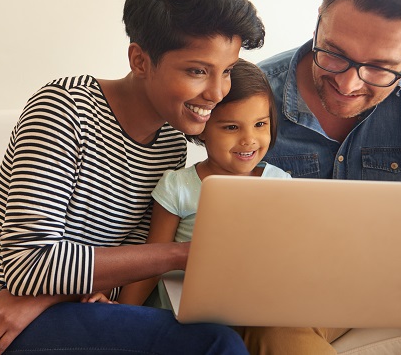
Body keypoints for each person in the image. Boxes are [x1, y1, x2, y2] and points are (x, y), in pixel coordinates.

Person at [0, 0, 266, 355]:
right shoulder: (64, 109)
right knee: (216, 345)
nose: (217, 93)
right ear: (140, 60)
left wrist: (52, 296)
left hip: (67, 308)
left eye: (228, 70)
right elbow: (28, 266)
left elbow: (123, 265)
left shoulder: (170, 144)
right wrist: (182, 253)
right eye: (198, 71)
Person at [251, 0, 401, 353]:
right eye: (335, 53)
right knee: (272, 332)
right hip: (301, 294)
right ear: (319, 20)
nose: (347, 84)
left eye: (380, 68)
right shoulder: (253, 96)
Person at [81, 59, 290, 309]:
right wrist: (124, 311)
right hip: (182, 310)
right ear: (203, 127)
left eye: (260, 124)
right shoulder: (177, 186)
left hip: (253, 303)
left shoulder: (281, 184)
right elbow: (153, 260)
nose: (249, 140)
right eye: (232, 127)